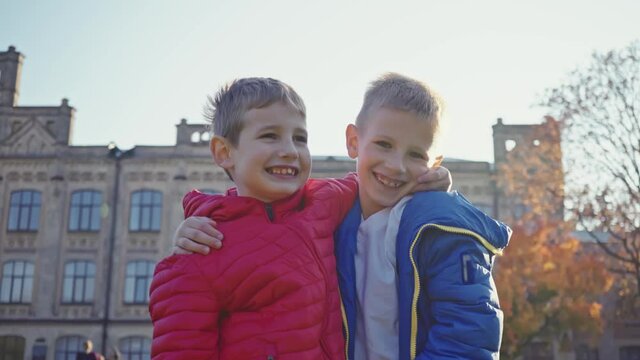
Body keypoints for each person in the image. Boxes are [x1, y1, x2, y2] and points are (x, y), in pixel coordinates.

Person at [174, 73, 511, 359]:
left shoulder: (435, 225)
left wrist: (441, 196)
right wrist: (201, 218)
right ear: (353, 141)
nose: (396, 165)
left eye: (415, 155)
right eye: (383, 144)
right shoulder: (323, 213)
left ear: (433, 163)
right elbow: (257, 209)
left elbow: (469, 332)